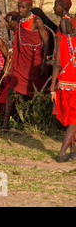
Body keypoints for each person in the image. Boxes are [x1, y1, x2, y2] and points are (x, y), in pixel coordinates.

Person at [1, 0, 49, 131]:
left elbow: (45, 41)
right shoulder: (20, 21)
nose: (20, 10)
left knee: (30, 95)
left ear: (29, 7)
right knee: (11, 90)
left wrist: (44, 62)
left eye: (23, 7)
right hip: (21, 62)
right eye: (19, 7)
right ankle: (5, 124)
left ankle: (30, 123)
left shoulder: (36, 21)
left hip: (34, 63)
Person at [50, 17, 76, 162]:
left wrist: (52, 87)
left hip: (62, 85)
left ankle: (73, 151)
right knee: (74, 120)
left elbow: (57, 65)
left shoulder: (61, 40)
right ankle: (61, 153)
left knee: (72, 117)